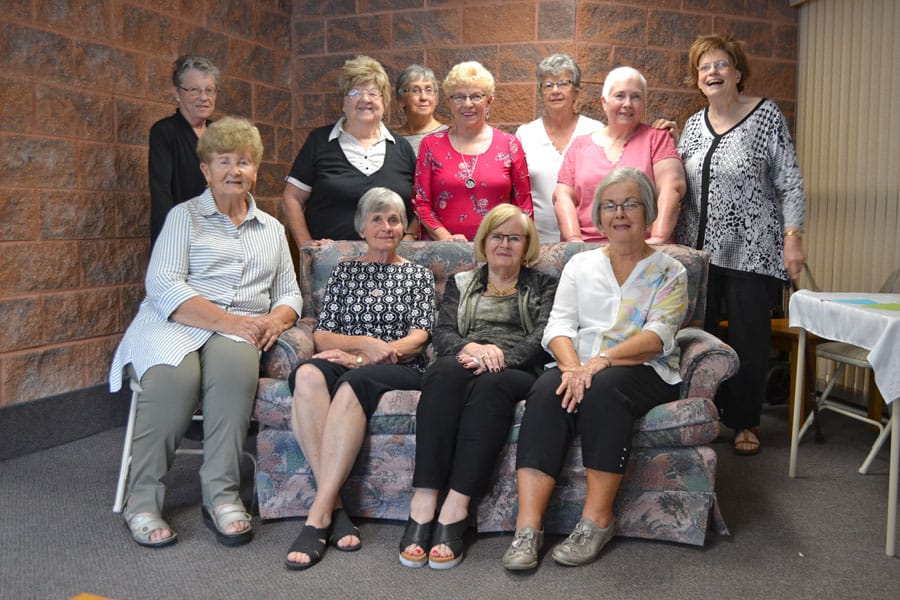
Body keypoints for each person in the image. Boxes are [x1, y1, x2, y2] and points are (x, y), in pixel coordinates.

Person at [110, 117, 302, 548]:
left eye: (245, 162)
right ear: (206, 170)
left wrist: (277, 319)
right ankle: (143, 501)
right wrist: (231, 321)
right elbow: (163, 285)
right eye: (224, 161)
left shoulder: (271, 229)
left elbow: (289, 292)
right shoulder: (185, 217)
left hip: (242, 330)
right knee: (174, 382)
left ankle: (222, 495)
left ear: (256, 170)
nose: (235, 170)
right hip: (175, 321)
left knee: (236, 374)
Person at [501, 167, 689, 571]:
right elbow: (559, 326)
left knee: (604, 389)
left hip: (645, 369)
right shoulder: (579, 266)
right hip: (580, 365)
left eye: (630, 204)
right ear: (599, 217)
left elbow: (658, 336)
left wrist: (599, 363)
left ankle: (596, 521)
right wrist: (572, 368)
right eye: (609, 205)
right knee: (546, 391)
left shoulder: (671, 271)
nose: (619, 213)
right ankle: (528, 528)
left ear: (649, 211)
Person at [284, 187, 435, 571]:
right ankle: (335, 509)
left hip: (397, 365)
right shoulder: (345, 270)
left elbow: (421, 335)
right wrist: (361, 347)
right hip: (350, 357)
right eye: (378, 219)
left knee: (354, 383)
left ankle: (317, 517)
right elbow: (322, 335)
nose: (387, 227)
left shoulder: (417, 275)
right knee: (307, 375)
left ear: (404, 228)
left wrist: (378, 353)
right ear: (362, 228)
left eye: (395, 219)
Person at [399, 205, 557, 570]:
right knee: (440, 374)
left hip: (514, 367)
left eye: (514, 237)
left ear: (527, 245)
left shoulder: (545, 284)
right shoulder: (461, 282)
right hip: (467, 358)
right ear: (484, 242)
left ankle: (456, 506)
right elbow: (442, 333)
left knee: (492, 386)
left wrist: (500, 356)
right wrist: (471, 349)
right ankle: (423, 502)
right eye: (497, 236)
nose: (504, 244)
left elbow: (543, 335)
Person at [675, 34, 806, 456]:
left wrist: (793, 240)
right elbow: (677, 179)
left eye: (721, 65)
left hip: (752, 249)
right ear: (697, 80)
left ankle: (745, 422)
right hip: (699, 253)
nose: (712, 73)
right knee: (701, 337)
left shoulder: (766, 116)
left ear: (738, 72)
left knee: (749, 340)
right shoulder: (693, 124)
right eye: (704, 68)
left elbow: (790, 182)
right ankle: (704, 415)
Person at [282, 55, 419, 247]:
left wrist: (410, 237)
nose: (365, 99)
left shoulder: (402, 147)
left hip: (391, 263)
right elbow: (292, 197)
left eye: (373, 93)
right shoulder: (319, 141)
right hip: (331, 265)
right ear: (344, 103)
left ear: (384, 101)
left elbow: (421, 202)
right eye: (355, 93)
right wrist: (306, 246)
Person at [555, 66, 686, 244]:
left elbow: (672, 188)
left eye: (636, 96)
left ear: (645, 103)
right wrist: (574, 240)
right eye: (620, 96)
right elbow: (562, 195)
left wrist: (658, 239)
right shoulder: (579, 145)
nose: (627, 104)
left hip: (645, 248)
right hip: (587, 249)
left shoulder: (658, 139)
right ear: (604, 102)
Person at [413, 61, 533, 241]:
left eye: (476, 96)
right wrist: (445, 239)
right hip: (443, 251)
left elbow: (524, 207)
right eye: (459, 97)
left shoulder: (510, 144)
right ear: (449, 102)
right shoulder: (431, 145)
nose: (468, 104)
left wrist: (521, 245)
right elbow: (421, 203)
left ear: (489, 100)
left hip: (499, 250)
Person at [516, 54, 602, 244]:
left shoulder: (596, 131)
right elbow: (516, 192)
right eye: (548, 85)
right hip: (536, 243)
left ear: (576, 91)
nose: (555, 91)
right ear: (541, 93)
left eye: (563, 83)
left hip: (588, 241)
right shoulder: (525, 134)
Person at [149, 55, 220, 247]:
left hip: (218, 241)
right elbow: (161, 194)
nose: (204, 97)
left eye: (209, 90)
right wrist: (173, 242)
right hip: (180, 240)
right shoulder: (165, 132)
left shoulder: (221, 133)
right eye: (194, 90)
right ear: (177, 93)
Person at [394, 64, 448, 155]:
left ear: (436, 99)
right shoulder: (391, 141)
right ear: (401, 99)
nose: (423, 97)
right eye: (415, 90)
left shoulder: (449, 138)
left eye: (429, 90)